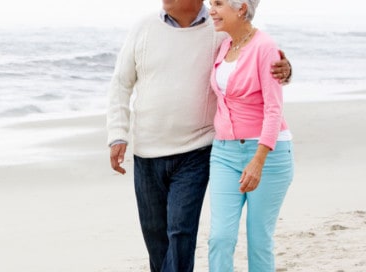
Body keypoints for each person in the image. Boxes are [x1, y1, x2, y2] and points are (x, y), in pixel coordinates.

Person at [106, 0, 291, 271]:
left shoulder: (218, 29)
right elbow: (121, 83)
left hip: (197, 150)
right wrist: (117, 134)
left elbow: (255, 51)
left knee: (181, 232)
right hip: (146, 151)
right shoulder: (143, 28)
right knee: (155, 236)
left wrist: (285, 70)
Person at [206, 0, 294, 271]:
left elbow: (273, 109)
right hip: (224, 153)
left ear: (241, 8)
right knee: (220, 237)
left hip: (268, 155)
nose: (211, 10)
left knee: (259, 240)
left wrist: (258, 160)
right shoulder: (224, 46)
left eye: (218, 4)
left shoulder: (265, 47)